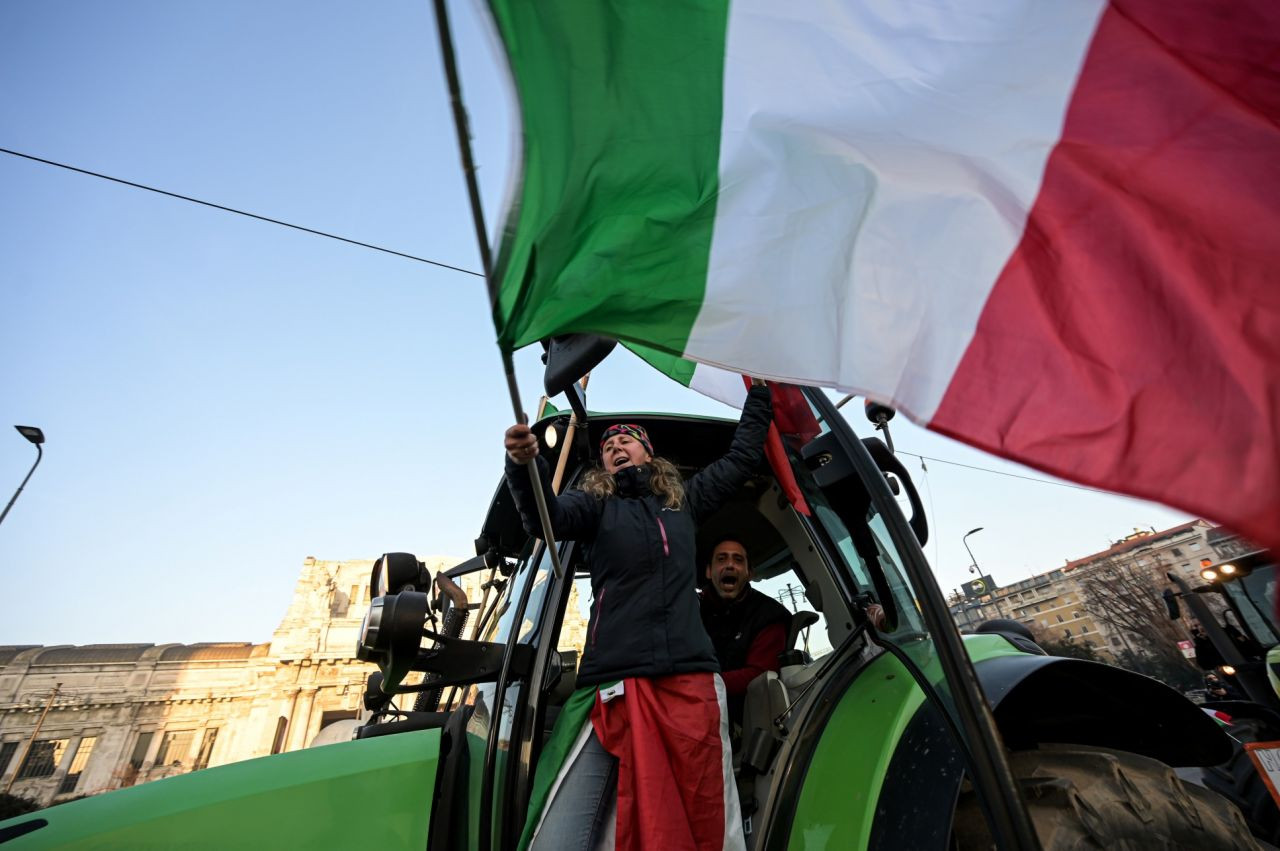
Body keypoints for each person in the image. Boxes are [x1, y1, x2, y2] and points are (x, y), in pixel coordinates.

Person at [504, 382, 772, 851]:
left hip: (688, 689)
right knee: (560, 837)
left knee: (704, 824)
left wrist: (761, 393)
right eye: (607, 446)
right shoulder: (593, 508)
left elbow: (743, 458)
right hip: (611, 687)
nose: (614, 447)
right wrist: (525, 467)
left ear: (648, 453)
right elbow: (543, 517)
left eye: (625, 440)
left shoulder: (683, 502)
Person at [699, 538, 792, 725]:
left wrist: (699, 685)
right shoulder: (689, 609)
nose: (730, 565)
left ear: (749, 573)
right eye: (722, 559)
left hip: (740, 721)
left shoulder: (768, 614)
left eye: (738, 560)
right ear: (709, 571)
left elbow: (760, 674)